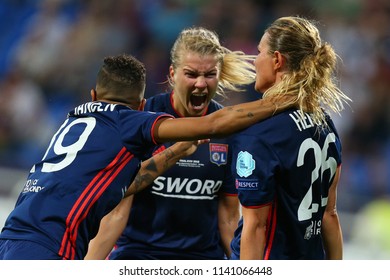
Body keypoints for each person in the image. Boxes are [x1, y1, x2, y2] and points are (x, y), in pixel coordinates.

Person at [0, 53, 286, 260]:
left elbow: (126, 183)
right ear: (140, 105)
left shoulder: (73, 118)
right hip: (49, 247)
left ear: (93, 94)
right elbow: (214, 124)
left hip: (12, 237)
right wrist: (282, 100)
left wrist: (174, 152)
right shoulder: (129, 122)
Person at [85, 26, 257, 260]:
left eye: (209, 74)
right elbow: (116, 213)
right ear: (172, 73)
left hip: (202, 260)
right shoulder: (144, 118)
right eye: (191, 74)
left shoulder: (229, 130)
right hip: (138, 256)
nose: (200, 84)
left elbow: (227, 217)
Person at [229, 16, 351, 260]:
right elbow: (330, 214)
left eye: (260, 52)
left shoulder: (260, 133)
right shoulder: (325, 123)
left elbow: (256, 227)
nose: (255, 61)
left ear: (277, 60)